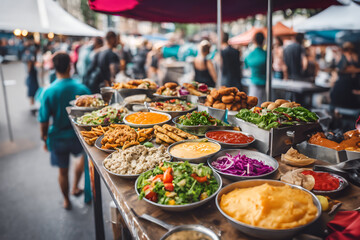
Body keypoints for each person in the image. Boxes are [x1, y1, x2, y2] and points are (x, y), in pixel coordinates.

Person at [38, 52, 91, 209]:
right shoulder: (82, 88)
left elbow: (44, 120)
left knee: (62, 171)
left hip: (58, 137)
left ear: (54, 68)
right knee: (82, 158)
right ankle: (75, 186)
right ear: (70, 66)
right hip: (78, 136)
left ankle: (66, 200)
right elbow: (93, 114)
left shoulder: (48, 92)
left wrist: (44, 138)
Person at [330, 42, 360, 108]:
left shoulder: (352, 56)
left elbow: (349, 69)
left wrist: (353, 69)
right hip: (343, 84)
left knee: (346, 105)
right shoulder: (343, 56)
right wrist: (354, 70)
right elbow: (341, 69)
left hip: (348, 85)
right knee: (341, 105)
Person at [244, 32, 266, 105]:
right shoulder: (267, 55)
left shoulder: (249, 55)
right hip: (266, 85)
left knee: (253, 107)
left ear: (254, 41)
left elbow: (246, 67)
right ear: (263, 40)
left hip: (254, 84)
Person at [22, 40, 39, 109]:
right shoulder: (30, 51)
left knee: (33, 89)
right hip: (32, 74)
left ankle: (32, 105)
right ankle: (32, 105)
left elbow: (30, 62)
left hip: (32, 73)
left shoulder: (30, 50)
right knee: (32, 89)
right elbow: (30, 62)